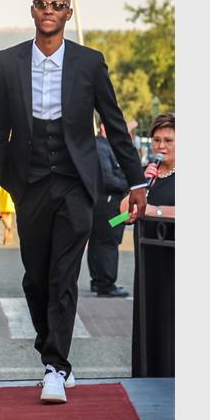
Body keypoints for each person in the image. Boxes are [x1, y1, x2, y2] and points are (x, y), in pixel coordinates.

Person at [0, 0, 147, 404]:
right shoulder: (8, 62)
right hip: (29, 182)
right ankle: (53, 352)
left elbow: (114, 124)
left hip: (76, 182)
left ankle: (54, 367)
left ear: (68, 14)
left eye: (58, 5)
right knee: (35, 278)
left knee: (63, 275)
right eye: (42, 4)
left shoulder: (89, 62)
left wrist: (137, 182)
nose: (49, 10)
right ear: (32, 10)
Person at [120, 113, 175, 377]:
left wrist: (155, 210)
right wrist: (142, 183)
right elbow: (122, 212)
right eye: (156, 140)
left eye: (168, 140)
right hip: (148, 257)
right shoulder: (148, 174)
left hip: (173, 260)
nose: (161, 146)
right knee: (149, 315)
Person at [87, 122, 130, 297]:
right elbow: (107, 179)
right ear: (103, 126)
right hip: (109, 206)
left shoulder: (103, 145)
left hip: (107, 204)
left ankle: (99, 281)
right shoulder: (101, 146)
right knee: (108, 241)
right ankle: (106, 284)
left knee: (99, 241)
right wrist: (130, 183)